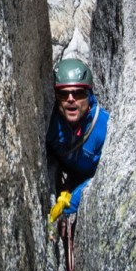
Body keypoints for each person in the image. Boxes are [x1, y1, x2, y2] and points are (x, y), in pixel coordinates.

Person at [46, 58, 109, 220]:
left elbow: (104, 175)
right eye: (63, 93)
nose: (71, 99)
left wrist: (70, 201)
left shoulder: (103, 128)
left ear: (89, 95)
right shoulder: (49, 122)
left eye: (79, 93)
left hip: (86, 179)